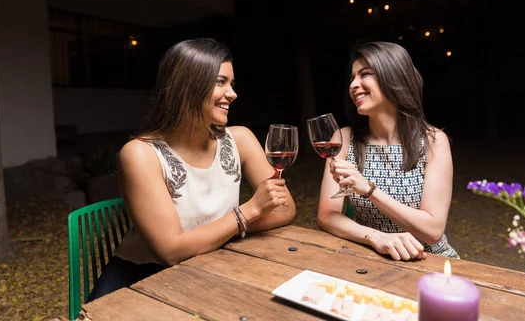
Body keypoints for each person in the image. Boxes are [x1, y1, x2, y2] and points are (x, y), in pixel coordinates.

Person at [89, 39, 296, 300]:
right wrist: (248, 212)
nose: (232, 94)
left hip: (208, 265)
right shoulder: (141, 154)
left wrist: (213, 236)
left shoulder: (240, 139)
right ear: (187, 87)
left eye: (231, 84)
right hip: (140, 281)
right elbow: (171, 252)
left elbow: (285, 209)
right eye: (221, 82)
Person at [317, 41, 458, 261]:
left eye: (365, 74)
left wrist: (368, 190)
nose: (354, 84)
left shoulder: (432, 141)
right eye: (352, 78)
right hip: (371, 258)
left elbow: (432, 231)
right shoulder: (344, 139)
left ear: (393, 77)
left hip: (429, 261)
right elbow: (327, 216)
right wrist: (376, 237)